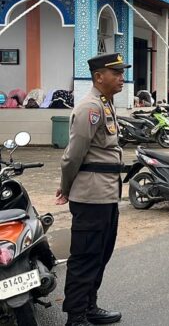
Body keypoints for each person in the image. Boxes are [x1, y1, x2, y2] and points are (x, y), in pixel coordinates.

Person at [57, 53, 129, 326]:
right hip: (91, 196)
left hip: (107, 193)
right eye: (117, 73)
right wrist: (65, 188)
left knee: (101, 254)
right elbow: (72, 156)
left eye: (122, 73)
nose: (122, 78)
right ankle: (76, 317)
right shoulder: (90, 107)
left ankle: (90, 306)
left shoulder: (104, 104)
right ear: (99, 77)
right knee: (85, 257)